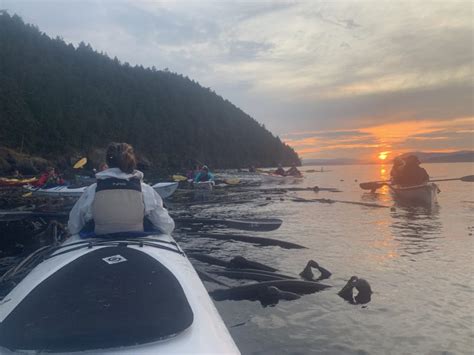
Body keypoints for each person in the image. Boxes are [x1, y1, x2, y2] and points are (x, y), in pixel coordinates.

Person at [68, 142, 174, 236]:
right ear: (132, 162)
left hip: (99, 241)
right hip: (138, 242)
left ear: (108, 163)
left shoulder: (92, 190)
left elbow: (73, 226)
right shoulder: (145, 190)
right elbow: (167, 226)